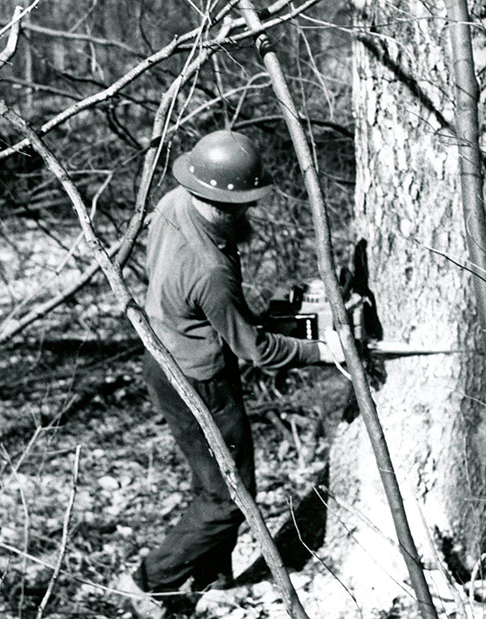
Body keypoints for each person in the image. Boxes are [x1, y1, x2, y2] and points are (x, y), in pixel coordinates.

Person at [117, 130, 343, 618]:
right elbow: (256, 348)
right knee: (228, 500)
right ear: (226, 204)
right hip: (199, 381)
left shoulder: (175, 201)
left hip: (163, 357)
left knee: (213, 483)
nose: (250, 213)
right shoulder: (209, 270)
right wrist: (324, 349)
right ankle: (150, 584)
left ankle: (209, 580)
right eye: (245, 204)